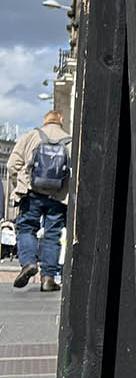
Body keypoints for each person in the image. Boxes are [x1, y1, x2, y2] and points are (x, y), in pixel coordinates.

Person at [6, 110, 70, 291]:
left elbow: (12, 165)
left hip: (31, 193)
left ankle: (28, 263)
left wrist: (20, 183)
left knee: (26, 228)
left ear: (45, 121)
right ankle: (48, 278)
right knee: (52, 236)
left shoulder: (31, 136)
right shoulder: (69, 140)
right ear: (61, 121)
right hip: (57, 197)